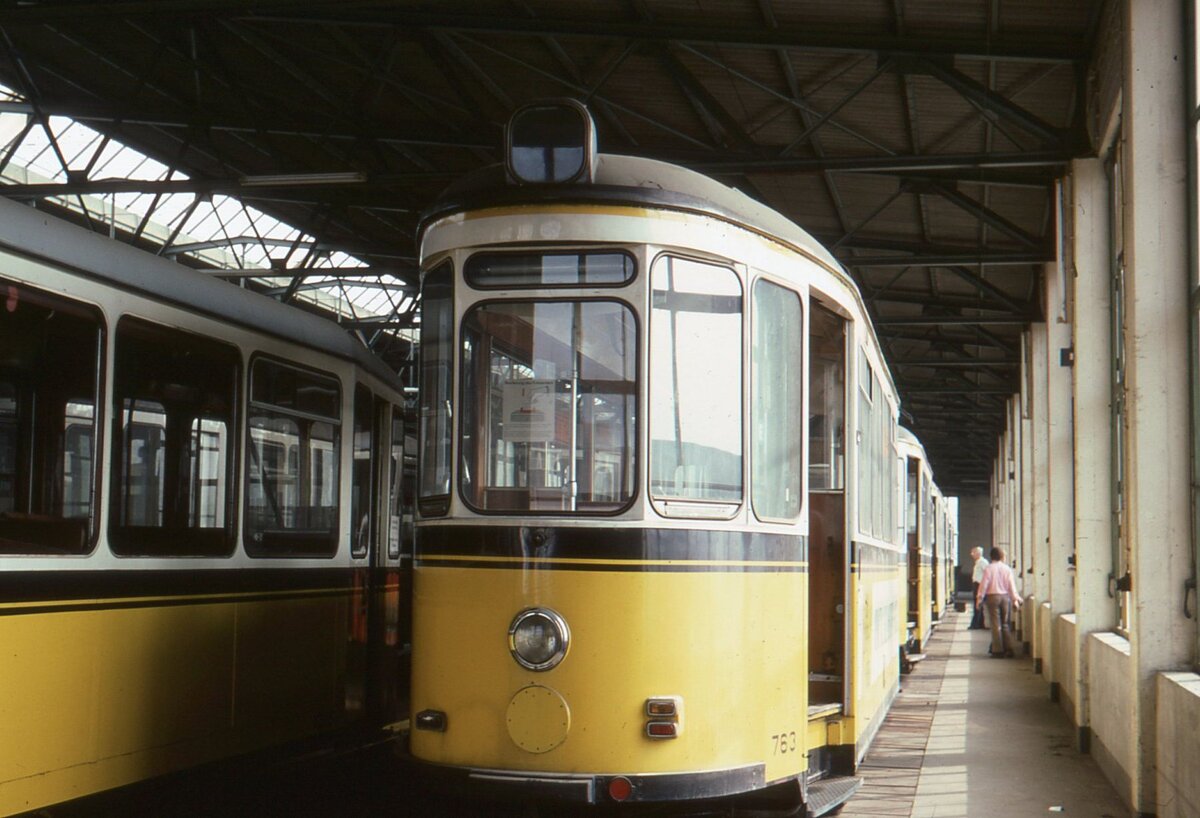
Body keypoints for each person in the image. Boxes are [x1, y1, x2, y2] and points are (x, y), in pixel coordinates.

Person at [976, 546, 1022, 657]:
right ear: (1001, 556)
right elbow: (1011, 586)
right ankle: (1009, 649)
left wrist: (979, 598)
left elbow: (984, 585)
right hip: (1005, 598)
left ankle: (997, 650)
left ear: (992, 556)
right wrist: (1015, 599)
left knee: (995, 624)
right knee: (1005, 624)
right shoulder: (1007, 569)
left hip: (992, 597)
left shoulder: (989, 568)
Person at [968, 546, 988, 629]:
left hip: (979, 585)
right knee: (979, 604)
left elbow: (987, 573)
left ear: (978, 553)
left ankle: (975, 624)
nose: (972, 554)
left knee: (978, 604)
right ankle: (980, 624)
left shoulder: (982, 562)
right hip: (977, 584)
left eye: (974, 552)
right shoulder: (978, 562)